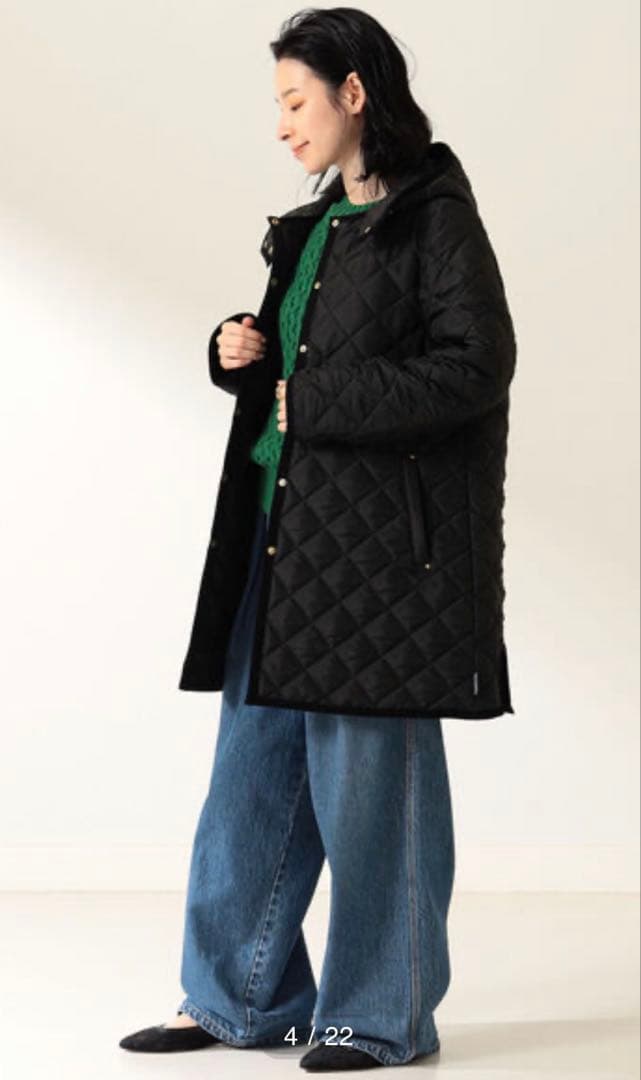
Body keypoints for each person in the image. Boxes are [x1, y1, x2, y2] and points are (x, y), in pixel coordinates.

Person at [119, 5, 516, 1072]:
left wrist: (320, 398)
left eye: (295, 100)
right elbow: (300, 369)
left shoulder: (432, 216)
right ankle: (237, 1001)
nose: (282, 124)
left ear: (353, 93)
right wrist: (240, 351)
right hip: (279, 532)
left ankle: (377, 1018)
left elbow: (475, 366)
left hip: (381, 555)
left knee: (371, 792)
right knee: (250, 779)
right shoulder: (316, 226)